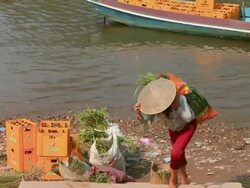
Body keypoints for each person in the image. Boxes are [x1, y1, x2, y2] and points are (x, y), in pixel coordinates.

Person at [134, 78, 197, 188]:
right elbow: (145, 123)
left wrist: (177, 107)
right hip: (173, 129)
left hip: (187, 127)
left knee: (175, 153)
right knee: (179, 153)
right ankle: (185, 177)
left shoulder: (180, 98)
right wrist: (139, 113)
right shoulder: (155, 105)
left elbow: (189, 118)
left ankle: (173, 179)